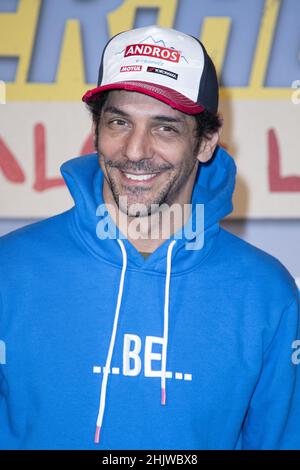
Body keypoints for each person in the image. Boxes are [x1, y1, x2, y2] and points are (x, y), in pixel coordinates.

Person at [0, 25, 299, 451]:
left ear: (206, 141)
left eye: (165, 128)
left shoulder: (266, 293)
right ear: (96, 129)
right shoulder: (10, 270)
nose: (136, 151)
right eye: (119, 122)